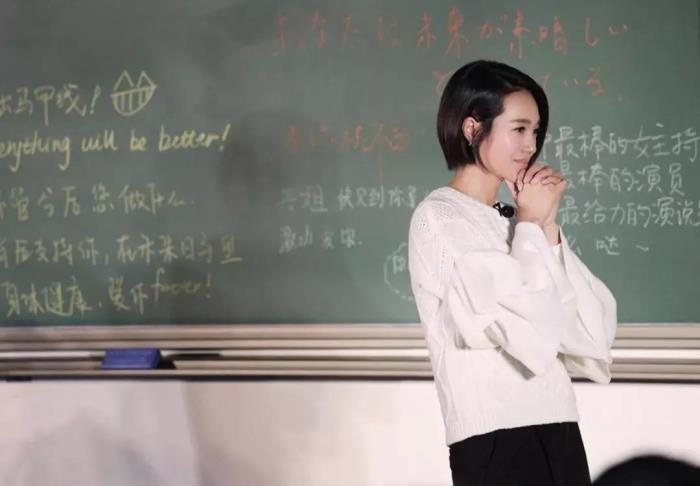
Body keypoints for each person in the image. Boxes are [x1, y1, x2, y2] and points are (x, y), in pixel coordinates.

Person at [408, 59, 618, 486]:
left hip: (559, 425)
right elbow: (529, 335)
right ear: (472, 129)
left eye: (536, 131)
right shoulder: (440, 217)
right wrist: (531, 222)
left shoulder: (516, 216)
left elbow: (585, 331)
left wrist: (546, 224)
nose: (531, 145)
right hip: (494, 436)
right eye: (518, 129)